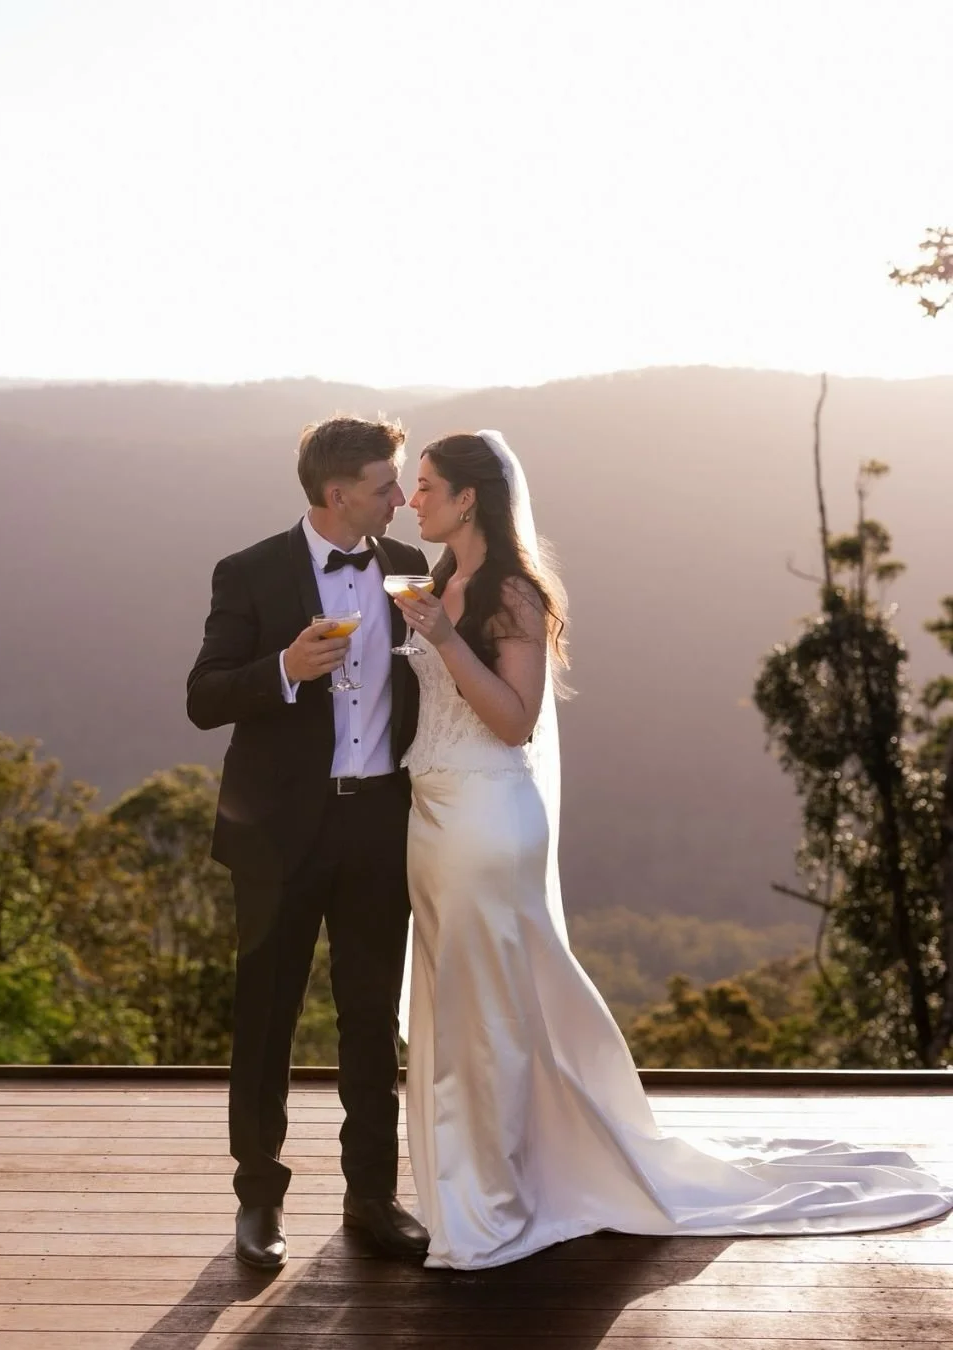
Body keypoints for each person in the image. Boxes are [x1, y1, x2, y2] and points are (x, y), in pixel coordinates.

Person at [393, 428, 953, 1271]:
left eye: (427, 484)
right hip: (430, 820)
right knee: (458, 1007)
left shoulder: (511, 593)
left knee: (492, 1019)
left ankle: (495, 1204)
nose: (412, 499)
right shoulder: (442, 580)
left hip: (484, 823)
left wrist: (441, 638)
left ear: (469, 497)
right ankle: (466, 1186)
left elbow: (514, 721)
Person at [187, 416, 431, 1269]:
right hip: (277, 836)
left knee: (370, 1019)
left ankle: (372, 1198)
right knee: (266, 1020)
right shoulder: (249, 572)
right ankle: (258, 1202)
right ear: (338, 494)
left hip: (378, 826)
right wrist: (284, 669)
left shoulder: (408, 571)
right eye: (385, 486)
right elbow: (205, 696)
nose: (400, 500)